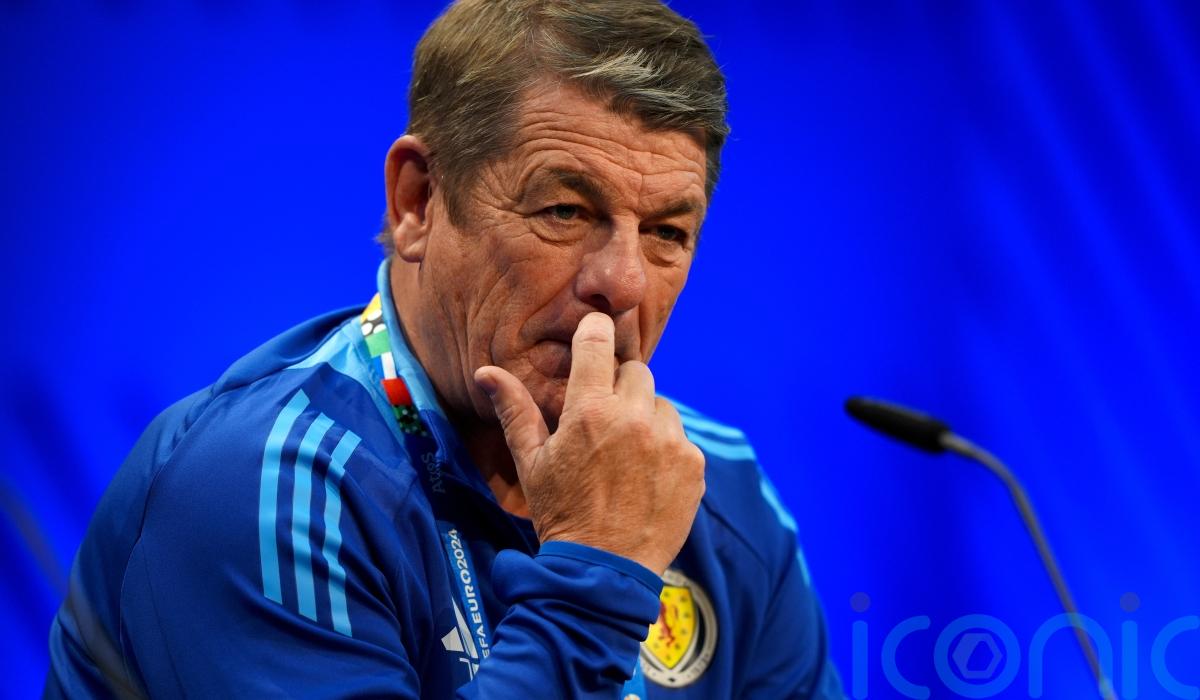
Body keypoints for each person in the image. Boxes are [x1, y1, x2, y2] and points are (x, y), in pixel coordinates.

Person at [46, 0, 844, 697]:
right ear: (418, 202)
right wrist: (597, 580)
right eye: (565, 211)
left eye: (667, 232)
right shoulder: (269, 487)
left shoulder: (717, 489)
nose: (624, 282)